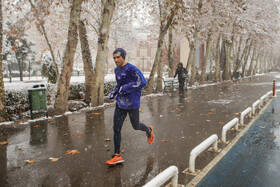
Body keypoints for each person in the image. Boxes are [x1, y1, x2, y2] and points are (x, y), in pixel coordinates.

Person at [105, 48, 154, 166]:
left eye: (118, 57)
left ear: (123, 57)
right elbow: (119, 85)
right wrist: (114, 92)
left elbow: (142, 82)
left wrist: (125, 88)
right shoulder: (117, 70)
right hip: (121, 103)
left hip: (132, 103)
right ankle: (117, 155)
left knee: (136, 126)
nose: (116, 60)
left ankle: (148, 130)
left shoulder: (132, 69)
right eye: (114, 58)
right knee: (116, 128)